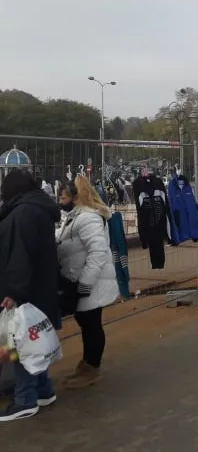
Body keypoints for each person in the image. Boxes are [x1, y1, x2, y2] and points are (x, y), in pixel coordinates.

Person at [0, 169, 61, 422]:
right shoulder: (36, 209)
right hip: (40, 288)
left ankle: (25, 399)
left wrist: (13, 292)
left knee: (17, 343)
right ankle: (43, 389)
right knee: (32, 341)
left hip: (24, 290)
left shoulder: (22, 213)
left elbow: (19, 257)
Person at [56, 176, 120, 390]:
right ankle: (87, 363)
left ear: (75, 197)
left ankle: (92, 367)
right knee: (86, 323)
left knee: (91, 324)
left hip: (90, 283)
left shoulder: (88, 218)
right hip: (82, 280)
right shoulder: (77, 217)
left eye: (64, 196)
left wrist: (85, 282)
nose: (60, 201)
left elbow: (97, 252)